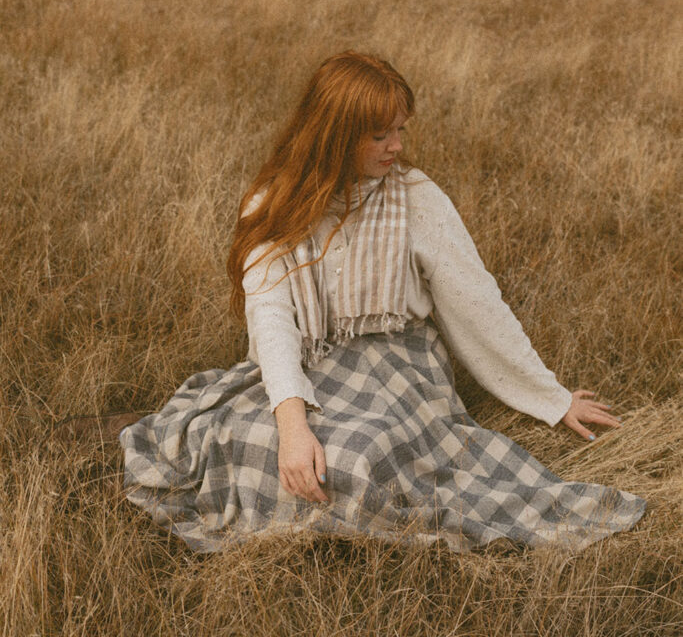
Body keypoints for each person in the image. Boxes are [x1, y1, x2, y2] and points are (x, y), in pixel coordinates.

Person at [120, 51, 645, 552]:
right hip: (309, 362)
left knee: (358, 456)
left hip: (398, 364)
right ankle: (314, 517)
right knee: (243, 439)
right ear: (334, 136)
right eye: (379, 135)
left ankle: (340, 520)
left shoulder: (416, 197)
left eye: (400, 130)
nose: (396, 146)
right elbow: (272, 319)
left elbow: (476, 304)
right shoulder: (271, 203)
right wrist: (293, 427)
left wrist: (549, 398)